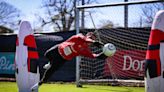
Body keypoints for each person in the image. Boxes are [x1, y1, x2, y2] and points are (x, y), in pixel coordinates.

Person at [31, 32, 108, 91]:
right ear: (87, 36)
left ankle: (38, 85)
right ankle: (50, 62)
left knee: (49, 73)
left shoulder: (86, 50)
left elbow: (93, 56)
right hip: (58, 49)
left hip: (62, 59)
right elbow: (84, 39)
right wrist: (93, 42)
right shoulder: (79, 36)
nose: (91, 39)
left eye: (93, 38)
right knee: (47, 54)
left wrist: (103, 55)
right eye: (90, 37)